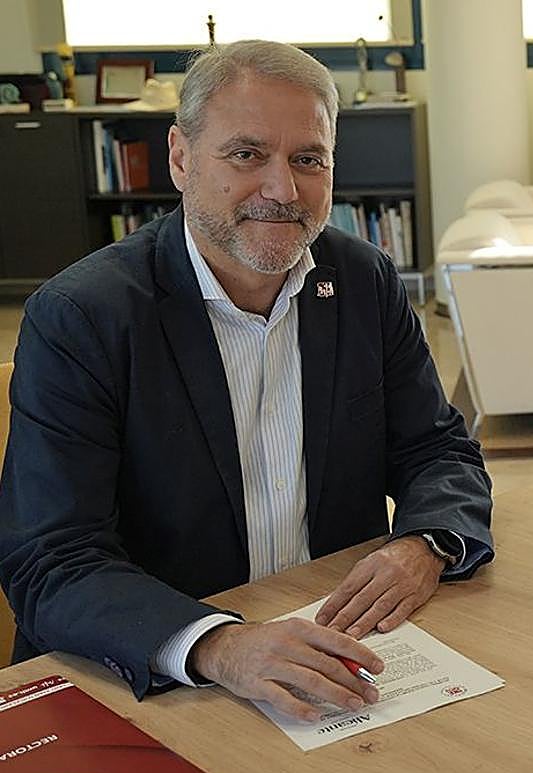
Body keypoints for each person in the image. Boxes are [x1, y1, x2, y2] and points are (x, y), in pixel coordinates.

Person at [0, 41, 494, 722]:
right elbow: (51, 561)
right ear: (180, 158)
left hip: (336, 656)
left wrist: (424, 543)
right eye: (246, 155)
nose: (282, 190)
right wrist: (220, 645)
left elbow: (437, 450)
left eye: (307, 159)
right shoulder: (82, 316)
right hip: (156, 679)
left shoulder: (362, 281)